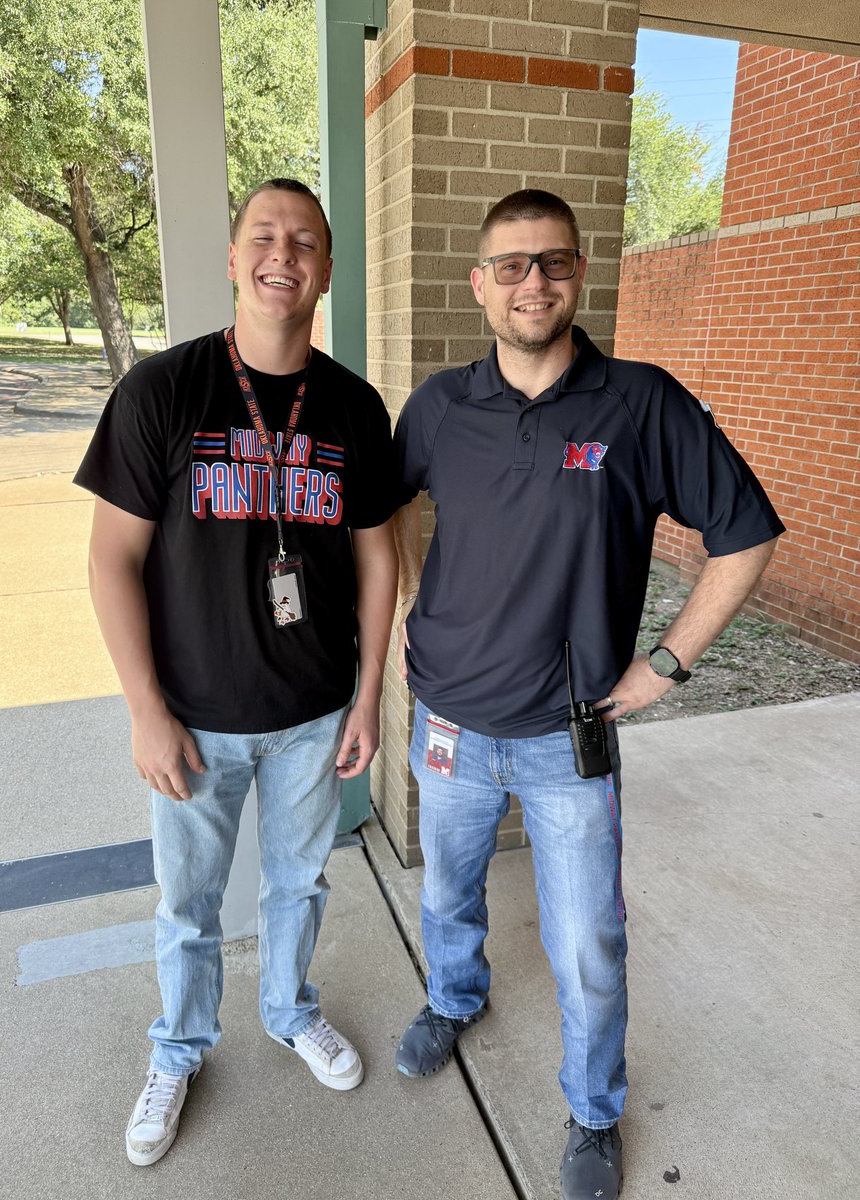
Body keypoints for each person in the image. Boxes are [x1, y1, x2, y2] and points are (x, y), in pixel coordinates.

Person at [390, 189, 784, 1200]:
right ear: (479, 284)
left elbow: (746, 537)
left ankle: (594, 1110)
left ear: (578, 275)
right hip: (449, 721)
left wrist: (666, 664)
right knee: (444, 891)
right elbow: (376, 518)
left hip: (571, 737)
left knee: (588, 943)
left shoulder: (641, 403)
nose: (534, 282)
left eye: (553, 262)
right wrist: (405, 614)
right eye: (512, 265)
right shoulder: (437, 407)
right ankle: (452, 998)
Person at [75, 179, 399, 1167]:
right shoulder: (162, 393)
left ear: (327, 270)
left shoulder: (352, 405)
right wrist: (144, 713)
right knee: (189, 903)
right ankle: (177, 1048)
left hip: (313, 715)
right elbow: (110, 560)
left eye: (305, 240)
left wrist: (370, 695)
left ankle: (291, 1011)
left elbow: (384, 558)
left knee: (299, 888)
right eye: (264, 234)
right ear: (232, 257)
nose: (283, 254)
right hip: (194, 720)